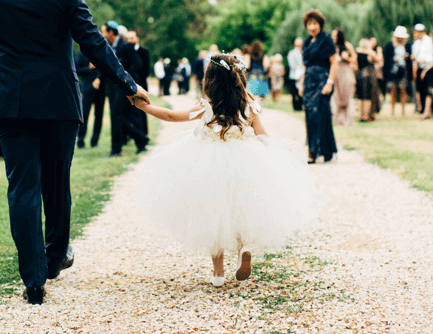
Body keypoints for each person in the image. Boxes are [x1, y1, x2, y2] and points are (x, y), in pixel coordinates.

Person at [0, 0, 150, 305]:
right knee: (55, 182)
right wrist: (128, 84)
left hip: (9, 102)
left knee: (22, 188)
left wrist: (4, 72)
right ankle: (54, 259)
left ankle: (34, 281)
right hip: (58, 101)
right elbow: (93, 44)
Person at [134, 53, 322, 287]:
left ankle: (218, 273)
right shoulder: (249, 104)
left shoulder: (207, 106)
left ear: (209, 80)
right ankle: (244, 248)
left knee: (213, 215)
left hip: (210, 165)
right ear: (239, 78)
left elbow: (171, 115)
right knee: (239, 210)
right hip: (244, 163)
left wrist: (144, 106)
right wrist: (279, 152)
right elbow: (263, 136)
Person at [100, 21, 149, 157]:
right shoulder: (106, 47)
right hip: (112, 87)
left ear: (111, 33)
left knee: (118, 116)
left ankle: (116, 150)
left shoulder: (126, 46)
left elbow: (137, 63)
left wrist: (124, 78)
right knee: (122, 116)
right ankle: (141, 140)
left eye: (103, 31)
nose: (102, 35)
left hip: (125, 86)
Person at [299, 10, 338, 163]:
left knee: (321, 115)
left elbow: (334, 62)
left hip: (323, 80)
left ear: (320, 24)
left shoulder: (327, 40)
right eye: (309, 24)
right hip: (309, 81)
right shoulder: (307, 42)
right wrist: (301, 84)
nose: (312, 27)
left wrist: (329, 82)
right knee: (310, 115)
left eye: (315, 24)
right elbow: (305, 66)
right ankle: (318, 151)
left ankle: (318, 152)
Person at [75, 49, 105, 149]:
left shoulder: (100, 51)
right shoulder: (81, 53)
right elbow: (76, 70)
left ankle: (95, 141)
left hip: (100, 88)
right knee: (85, 114)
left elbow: (105, 67)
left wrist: (98, 78)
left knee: (99, 115)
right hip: (87, 88)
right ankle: (80, 140)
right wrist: (89, 67)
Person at [383, 26, 411, 118]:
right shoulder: (390, 45)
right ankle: (392, 112)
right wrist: (393, 60)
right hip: (393, 72)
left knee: (403, 91)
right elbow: (386, 59)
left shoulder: (407, 46)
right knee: (393, 92)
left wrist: (407, 58)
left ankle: (403, 112)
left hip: (403, 71)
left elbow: (411, 59)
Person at [331, 29, 356, 126]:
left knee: (347, 96)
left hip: (345, 73)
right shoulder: (331, 47)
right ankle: (338, 120)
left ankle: (348, 120)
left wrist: (346, 58)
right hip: (335, 74)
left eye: (335, 35)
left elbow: (354, 59)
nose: (333, 37)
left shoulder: (347, 46)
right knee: (337, 97)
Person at [412, 24, 433, 117]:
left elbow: (432, 57)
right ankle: (423, 110)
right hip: (419, 68)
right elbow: (414, 57)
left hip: (429, 68)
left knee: (429, 90)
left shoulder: (429, 41)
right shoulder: (416, 43)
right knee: (421, 90)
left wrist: (425, 63)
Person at [355, 38, 377, 122]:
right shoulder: (369, 53)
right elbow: (376, 58)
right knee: (367, 97)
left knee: (360, 97)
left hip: (359, 75)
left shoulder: (358, 52)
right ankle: (365, 116)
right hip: (367, 76)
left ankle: (360, 115)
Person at [287, 38, 304, 111]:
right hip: (294, 75)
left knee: (301, 92)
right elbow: (292, 65)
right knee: (294, 93)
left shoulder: (303, 52)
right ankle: (296, 107)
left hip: (302, 75)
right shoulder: (292, 53)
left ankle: (300, 106)